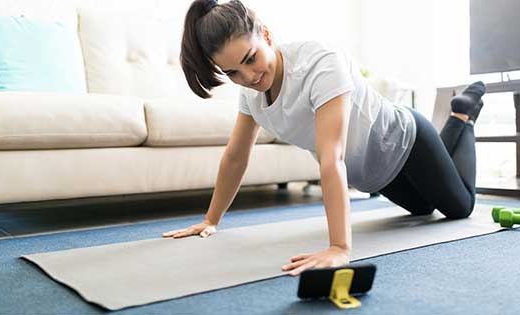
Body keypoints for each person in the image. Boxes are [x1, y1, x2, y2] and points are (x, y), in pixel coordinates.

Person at [162, 0, 486, 276]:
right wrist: (210, 219)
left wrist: (339, 248)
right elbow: (236, 157)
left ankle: (462, 115)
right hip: (374, 175)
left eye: (250, 59)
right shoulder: (251, 96)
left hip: (405, 140)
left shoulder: (319, 63)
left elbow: (332, 157)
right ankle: (455, 128)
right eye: (233, 73)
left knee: (460, 207)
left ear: (266, 34)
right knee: (422, 209)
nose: (249, 77)